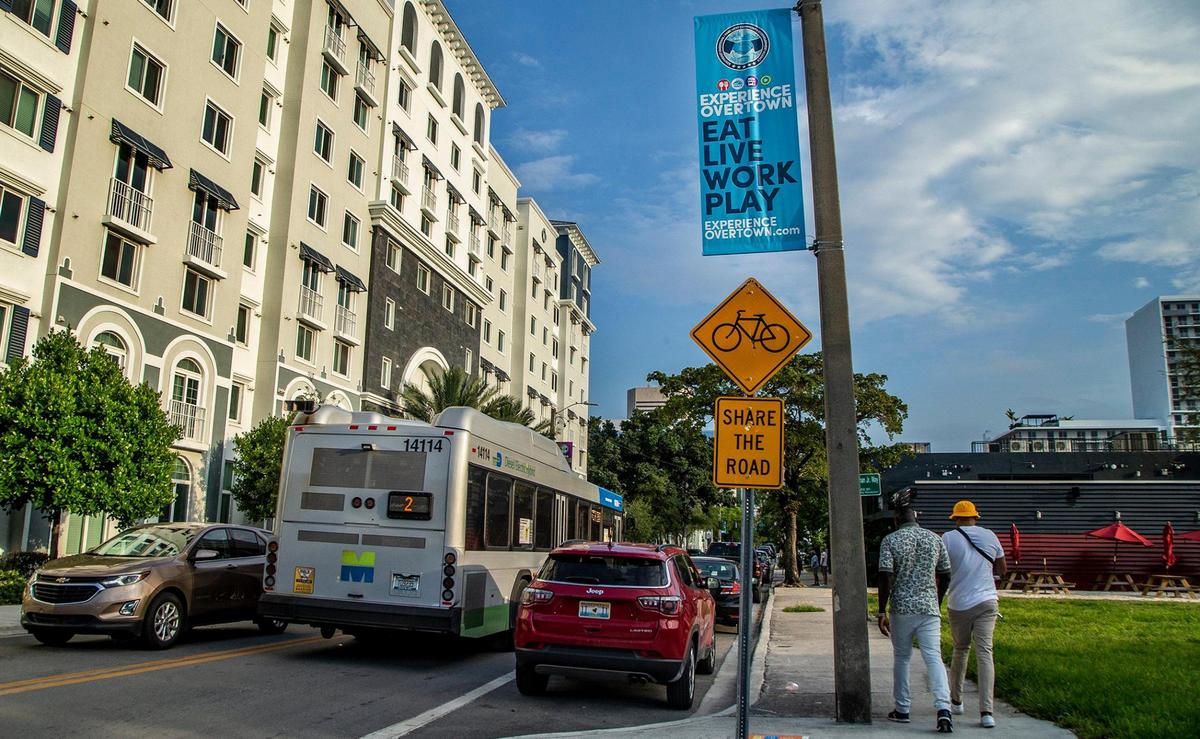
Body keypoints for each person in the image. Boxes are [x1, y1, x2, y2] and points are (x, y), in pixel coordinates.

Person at [877, 490, 954, 733]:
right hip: (929, 608)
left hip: (902, 608)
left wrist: (881, 610)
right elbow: (946, 573)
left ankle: (902, 709)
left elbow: (885, 576)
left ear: (896, 520)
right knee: (934, 657)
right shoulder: (934, 539)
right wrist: (937, 600)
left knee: (902, 658)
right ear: (916, 518)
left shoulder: (890, 541)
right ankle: (944, 708)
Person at [943, 500, 1006, 730]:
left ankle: (956, 701)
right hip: (987, 601)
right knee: (985, 653)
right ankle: (987, 712)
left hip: (958, 603)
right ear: (975, 517)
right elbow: (1002, 569)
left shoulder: (948, 538)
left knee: (960, 650)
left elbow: (942, 570)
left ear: (955, 518)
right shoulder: (991, 535)